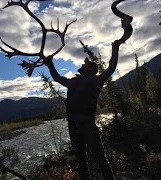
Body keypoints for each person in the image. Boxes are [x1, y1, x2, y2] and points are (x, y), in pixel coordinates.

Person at [43, 39, 123, 180]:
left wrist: (115, 47)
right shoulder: (73, 82)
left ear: (91, 69)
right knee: (81, 161)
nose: (81, 64)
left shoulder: (96, 81)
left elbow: (111, 67)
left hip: (88, 126)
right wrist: (50, 64)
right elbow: (56, 77)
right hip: (73, 126)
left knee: (100, 159)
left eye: (85, 64)